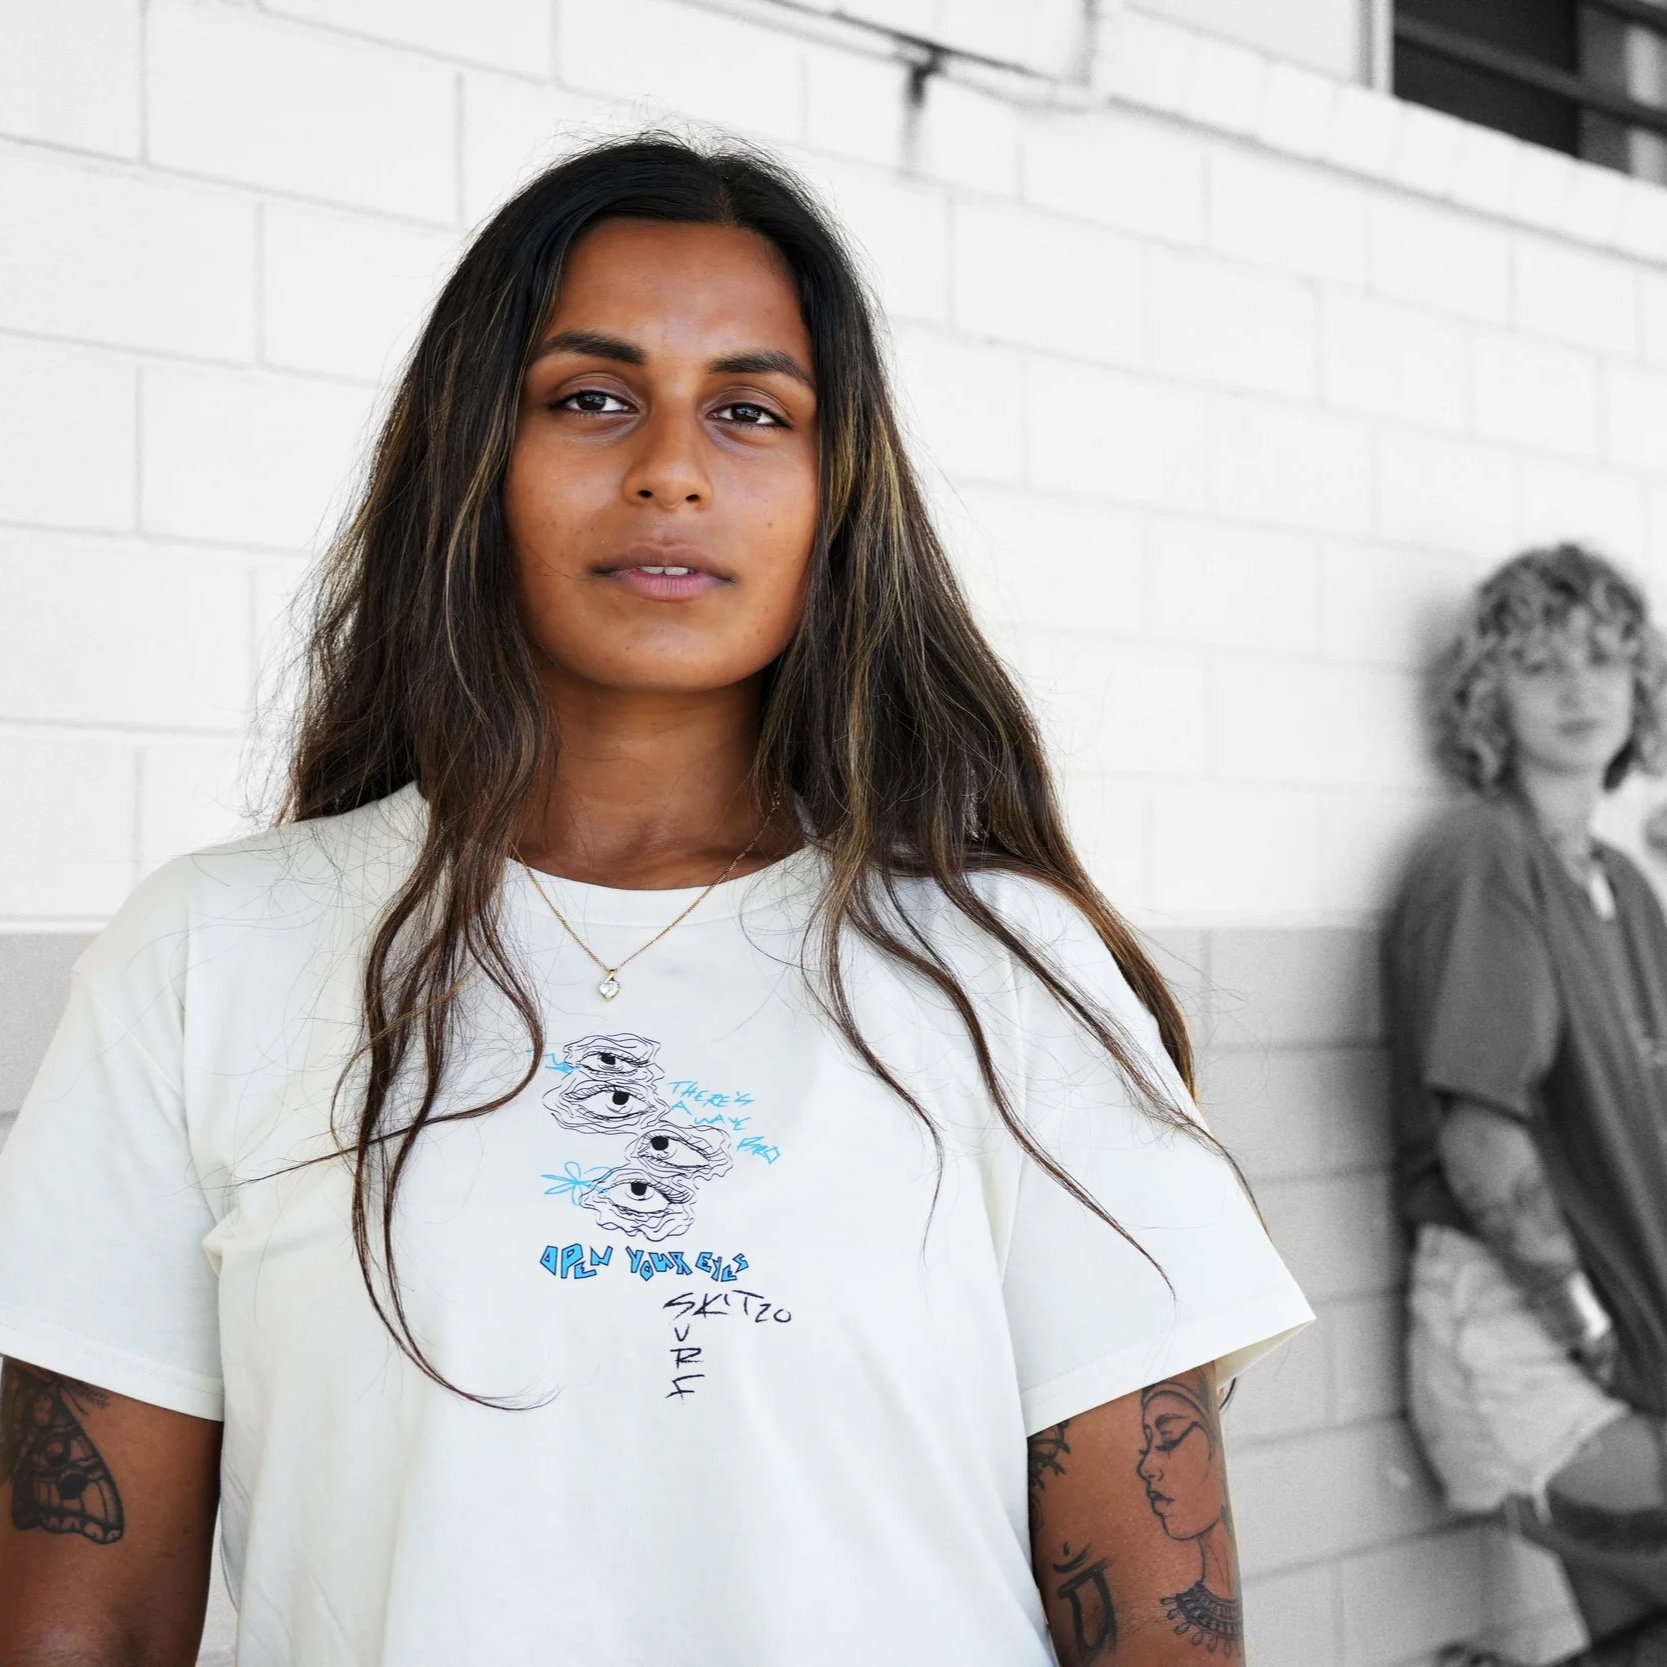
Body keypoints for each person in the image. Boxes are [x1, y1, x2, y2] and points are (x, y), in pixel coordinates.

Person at [0, 135, 1310, 1667]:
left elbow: (1158, 1622)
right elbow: (83, 1619)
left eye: (750, 410)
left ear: (834, 494)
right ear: (472, 459)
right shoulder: (210, 953)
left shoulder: (1009, 970)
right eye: (590, 397)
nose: (671, 468)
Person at [1386, 545, 1667, 1667]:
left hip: (1617, 1340)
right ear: (1485, 695)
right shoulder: (1481, 856)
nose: (1577, 688)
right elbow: (1481, 1142)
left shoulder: (1625, 886)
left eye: (1601, 658)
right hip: (1518, 1342)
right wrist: (1591, 1334)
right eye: (1539, 663)